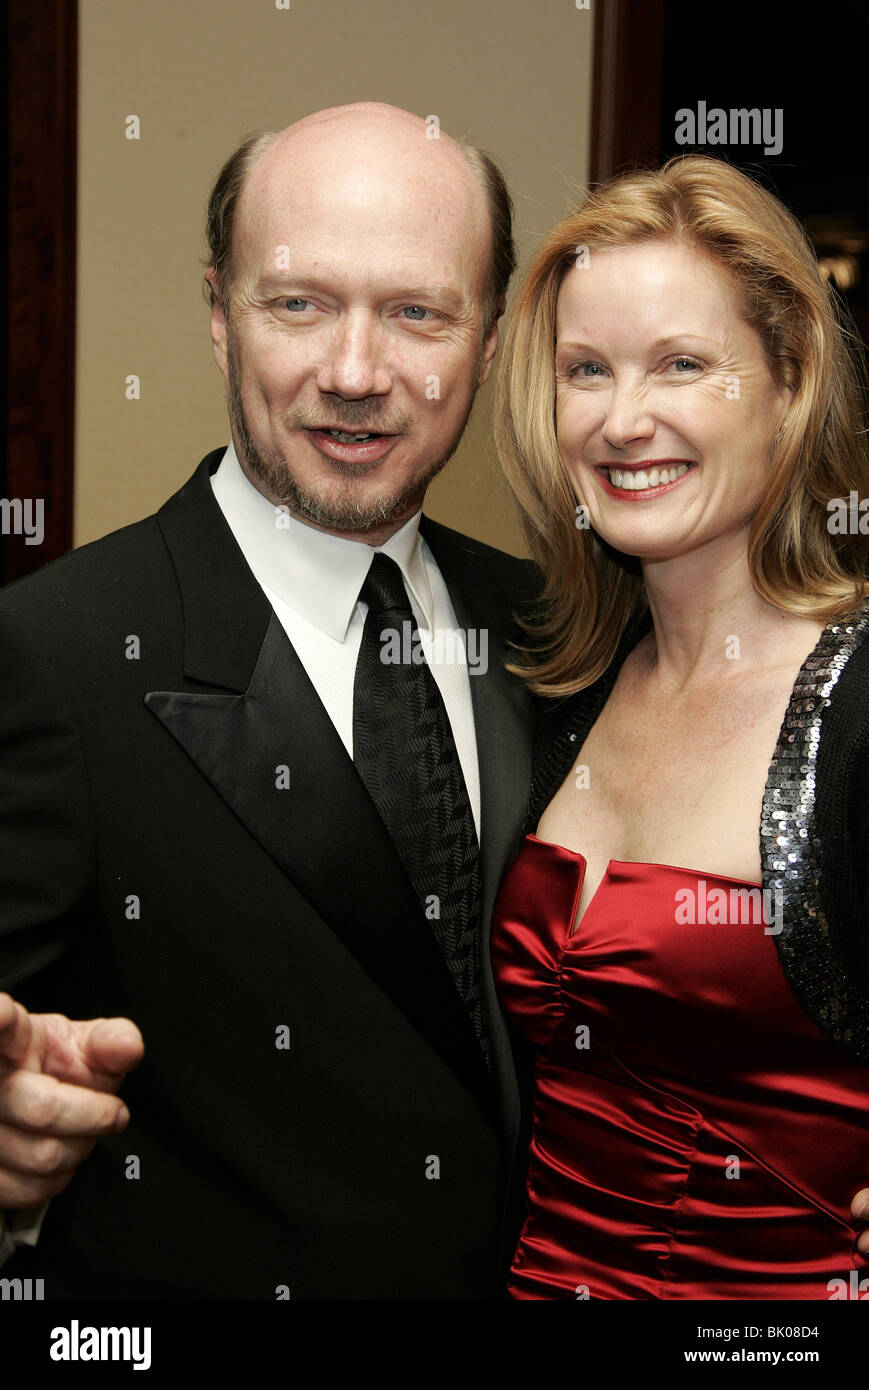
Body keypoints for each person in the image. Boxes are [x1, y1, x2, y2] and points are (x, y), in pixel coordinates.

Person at [0, 102, 539, 1299]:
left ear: (490, 339)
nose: (354, 374)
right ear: (215, 315)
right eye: (297, 303)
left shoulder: (561, 633)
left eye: (416, 312)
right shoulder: (59, 651)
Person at [491, 154, 869, 1299]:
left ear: (788, 381)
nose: (621, 419)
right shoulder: (558, 692)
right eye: (584, 371)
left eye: (682, 365)